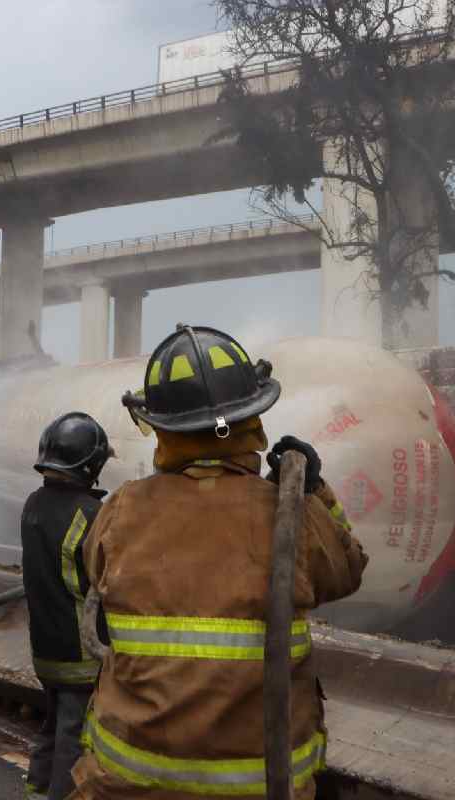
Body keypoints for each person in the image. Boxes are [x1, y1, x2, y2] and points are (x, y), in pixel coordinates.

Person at [72, 324, 368, 800]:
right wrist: (313, 491)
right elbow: (347, 571)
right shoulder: (288, 512)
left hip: (126, 783)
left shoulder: (120, 509)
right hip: (261, 786)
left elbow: (95, 573)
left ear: (163, 429)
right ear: (252, 418)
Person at [22, 412, 113, 800]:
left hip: (45, 650)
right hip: (81, 655)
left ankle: (36, 792)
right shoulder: (90, 514)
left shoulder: (34, 504)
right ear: (90, 466)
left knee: (52, 726)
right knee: (74, 739)